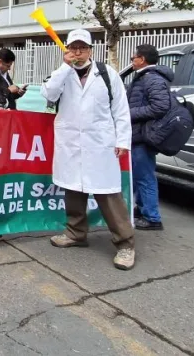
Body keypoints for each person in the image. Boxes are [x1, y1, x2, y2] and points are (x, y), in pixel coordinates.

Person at [41, 29, 135, 271]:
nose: (78, 52)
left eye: (83, 47)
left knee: (108, 194)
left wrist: (123, 140)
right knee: (73, 189)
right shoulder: (62, 74)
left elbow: (121, 109)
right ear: (68, 50)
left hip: (99, 144)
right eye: (74, 47)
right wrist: (64, 68)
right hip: (71, 143)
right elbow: (49, 95)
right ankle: (75, 233)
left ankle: (125, 244)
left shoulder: (106, 74)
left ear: (91, 50)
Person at [128, 44, 172, 232]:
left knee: (145, 177)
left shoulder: (152, 79)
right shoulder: (144, 78)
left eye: (133, 58)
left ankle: (152, 218)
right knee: (139, 176)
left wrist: (129, 113)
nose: (131, 61)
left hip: (144, 136)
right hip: (138, 134)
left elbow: (161, 106)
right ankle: (142, 209)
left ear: (141, 59)